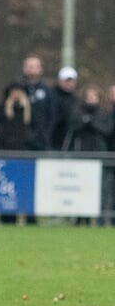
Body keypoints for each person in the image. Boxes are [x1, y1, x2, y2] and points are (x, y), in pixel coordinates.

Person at [0, 82, 43, 225]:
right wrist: (1, 137)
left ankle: (29, 217)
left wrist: (29, 139)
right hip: (6, 153)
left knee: (26, 187)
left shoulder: (31, 109)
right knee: (7, 187)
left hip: (25, 154)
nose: (16, 94)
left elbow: (39, 129)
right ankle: (7, 217)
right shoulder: (2, 108)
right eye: (14, 91)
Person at [60, 83, 112, 226]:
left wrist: (92, 123)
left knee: (100, 189)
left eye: (94, 96)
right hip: (82, 155)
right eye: (89, 96)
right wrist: (84, 122)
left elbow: (107, 130)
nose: (91, 99)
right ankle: (79, 217)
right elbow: (72, 128)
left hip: (99, 155)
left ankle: (100, 218)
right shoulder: (78, 112)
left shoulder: (104, 113)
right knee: (80, 187)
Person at [51, 66, 79, 151]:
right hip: (53, 142)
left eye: (72, 81)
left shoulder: (76, 100)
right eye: (66, 81)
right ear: (60, 81)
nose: (69, 84)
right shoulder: (52, 96)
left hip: (70, 143)